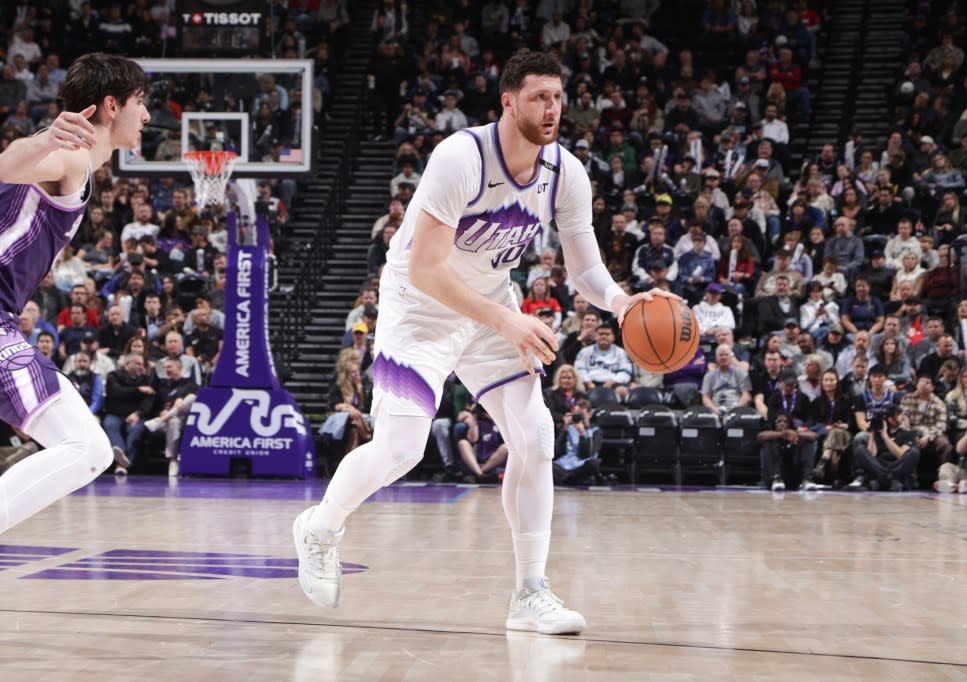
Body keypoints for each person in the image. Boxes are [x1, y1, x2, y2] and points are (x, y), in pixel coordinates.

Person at [291, 51, 674, 634]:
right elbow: (425, 269)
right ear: (509, 101)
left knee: (537, 437)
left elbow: (585, 269)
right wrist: (506, 320)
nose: (551, 109)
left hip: (490, 309)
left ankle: (529, 593)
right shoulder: (461, 157)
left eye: (558, 97)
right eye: (539, 97)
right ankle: (321, 526)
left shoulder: (564, 173)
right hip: (419, 310)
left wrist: (622, 304)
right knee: (401, 449)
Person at [0, 53, 149, 533]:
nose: (146, 115)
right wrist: (44, 137)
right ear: (111, 105)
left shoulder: (76, 165)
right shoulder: (69, 157)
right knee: (88, 447)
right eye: (140, 102)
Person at [142, 355, 198, 477]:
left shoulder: (190, 383)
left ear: (179, 367)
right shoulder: (163, 386)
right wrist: (160, 413)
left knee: (190, 399)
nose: (167, 369)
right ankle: (173, 459)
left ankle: (173, 461)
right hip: (165, 423)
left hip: (184, 421)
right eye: (165, 367)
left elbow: (192, 399)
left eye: (170, 366)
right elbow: (155, 406)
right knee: (172, 420)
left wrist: (179, 398)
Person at [848, 404, 920, 491]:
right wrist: (871, 435)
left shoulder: (908, 434)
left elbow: (900, 454)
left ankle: (883, 480)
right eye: (894, 415)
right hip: (879, 465)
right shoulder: (877, 433)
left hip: (897, 465)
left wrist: (885, 436)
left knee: (914, 452)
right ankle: (889, 479)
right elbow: (871, 455)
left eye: (898, 415)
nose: (897, 418)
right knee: (860, 449)